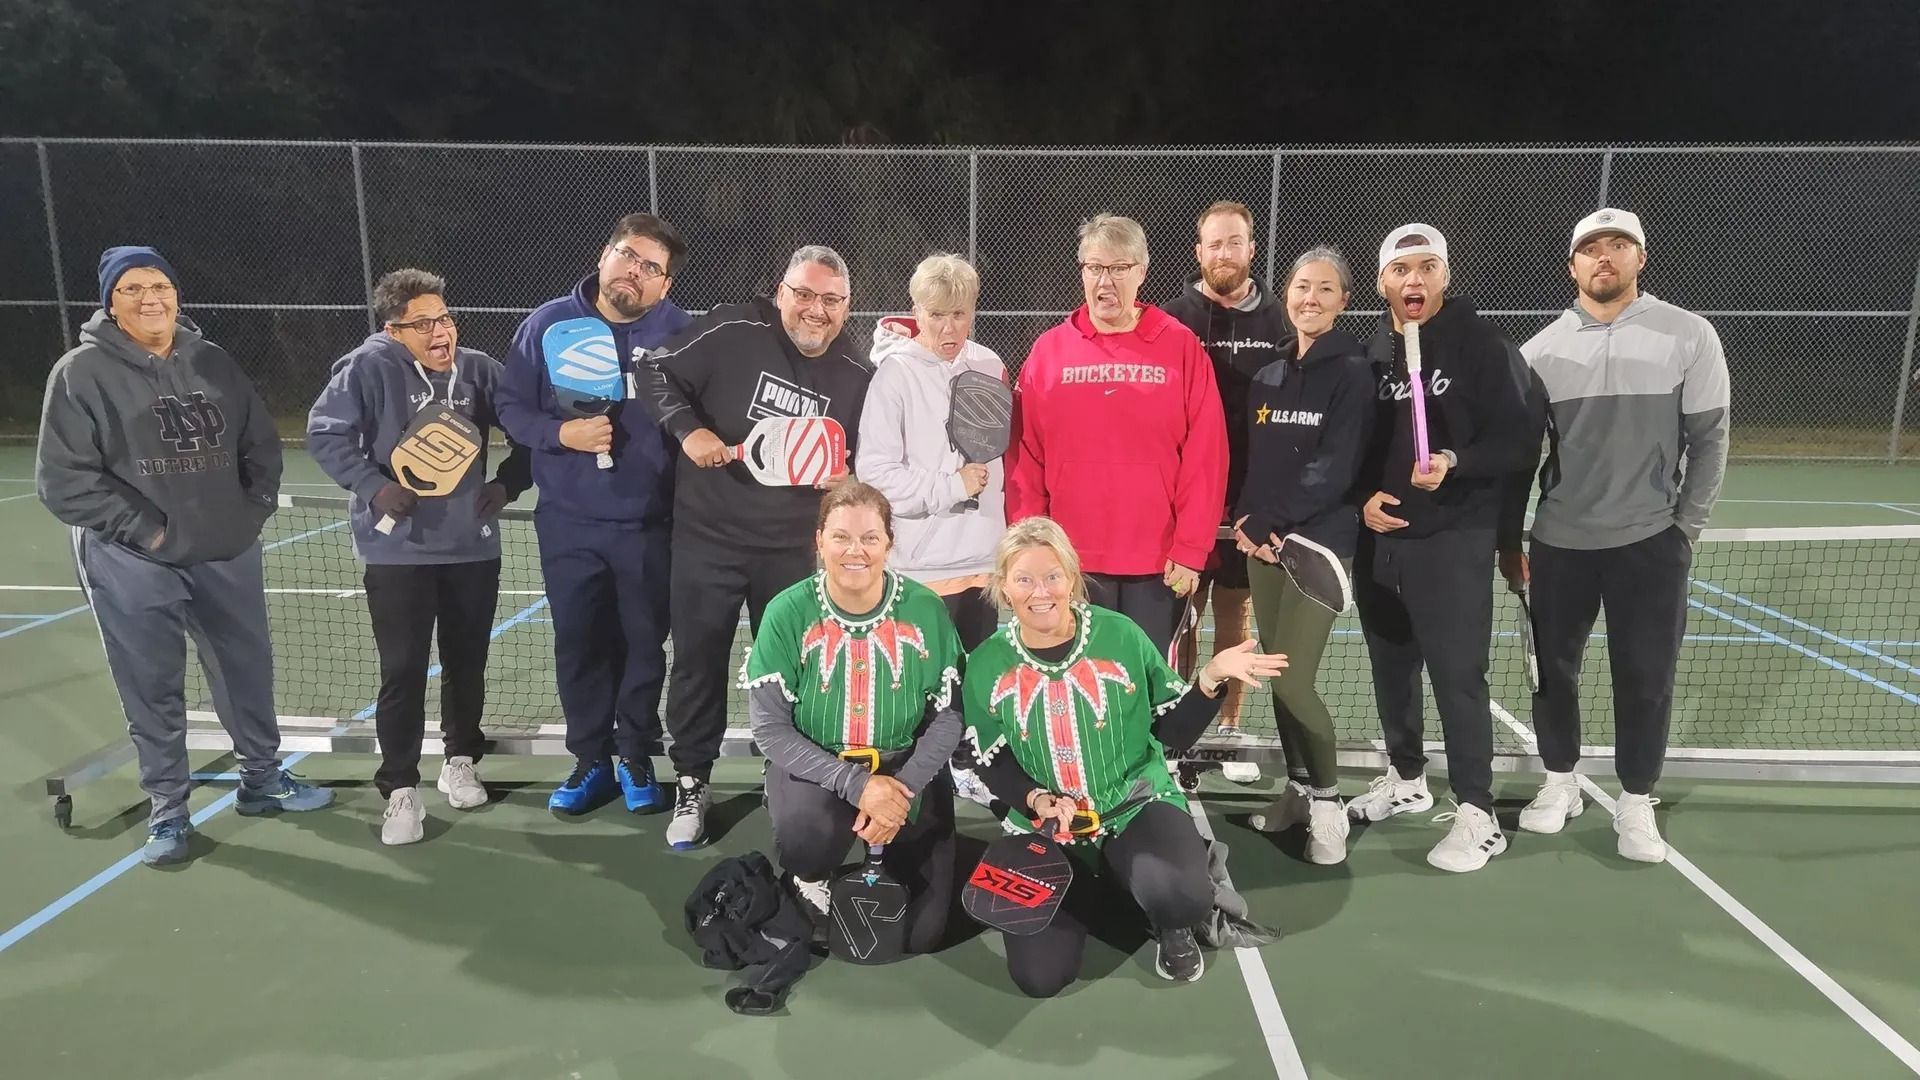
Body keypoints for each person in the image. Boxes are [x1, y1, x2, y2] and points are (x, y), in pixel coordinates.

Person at [36, 245, 332, 866]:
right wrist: (150, 534)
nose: (151, 299)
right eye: (133, 289)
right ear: (110, 303)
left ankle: (262, 779)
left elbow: (261, 446)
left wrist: (248, 515)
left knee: (247, 670)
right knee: (153, 687)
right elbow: (65, 482)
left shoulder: (212, 360)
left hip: (225, 553)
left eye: (161, 285)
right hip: (134, 562)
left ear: (176, 293)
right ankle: (169, 810)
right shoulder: (80, 373)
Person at [964, 517, 1287, 996]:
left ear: (1072, 578)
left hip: (1134, 804)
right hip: (1049, 826)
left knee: (1181, 897)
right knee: (1039, 978)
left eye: (1053, 575)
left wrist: (1210, 679)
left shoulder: (1119, 634)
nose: (1041, 591)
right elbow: (989, 758)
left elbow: (1173, 732)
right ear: (1003, 588)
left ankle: (1171, 914)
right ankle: (1109, 881)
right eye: (1024, 579)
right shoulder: (987, 661)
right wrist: (1034, 799)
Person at [1511, 209, 1730, 863]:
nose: (1603, 257)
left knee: (1645, 677)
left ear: (1640, 257)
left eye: (1618, 246)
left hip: (1648, 545)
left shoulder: (1688, 335)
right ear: (1572, 266)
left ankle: (1636, 802)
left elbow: (1710, 439)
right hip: (1559, 542)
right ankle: (1559, 783)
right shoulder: (1539, 352)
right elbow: (1521, 455)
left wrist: (1683, 529)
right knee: (1551, 674)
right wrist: (1513, 535)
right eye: (1590, 249)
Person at [644, 245, 874, 849]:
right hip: (706, 544)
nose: (815, 310)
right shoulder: (732, 329)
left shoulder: (858, 374)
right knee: (696, 667)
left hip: (792, 555)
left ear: (847, 307)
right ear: (781, 294)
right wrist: (689, 429)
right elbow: (654, 370)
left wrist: (848, 480)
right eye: (804, 294)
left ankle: (793, 778)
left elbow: (865, 466)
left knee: (797, 676)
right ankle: (692, 781)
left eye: (830, 300)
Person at [307, 268, 532, 845]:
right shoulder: (367, 367)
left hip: (471, 551)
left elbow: (530, 428)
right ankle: (401, 788)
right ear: (394, 330)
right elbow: (327, 433)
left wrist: (508, 484)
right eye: (424, 323)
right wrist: (372, 485)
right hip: (396, 553)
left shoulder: (480, 370)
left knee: (467, 664)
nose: (441, 332)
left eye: (446, 319)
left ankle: (461, 760)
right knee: (402, 670)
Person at [1351, 224, 1541, 873]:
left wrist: (1457, 460)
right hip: (1383, 542)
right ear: (1382, 283)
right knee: (1391, 668)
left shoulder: (1482, 346)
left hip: (1454, 538)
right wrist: (1361, 500)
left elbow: (1520, 441)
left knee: (1458, 676)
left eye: (1427, 267)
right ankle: (1407, 778)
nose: (1414, 280)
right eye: (1401, 269)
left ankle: (1479, 812)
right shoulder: (1374, 351)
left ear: (1444, 277)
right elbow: (1359, 446)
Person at [494, 213, 691, 818]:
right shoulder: (547, 325)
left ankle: (635, 755)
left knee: (642, 645)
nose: (635, 270)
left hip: (650, 526)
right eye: (628, 255)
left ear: (664, 286)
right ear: (604, 255)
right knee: (578, 643)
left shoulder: (683, 333)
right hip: (568, 523)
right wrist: (561, 433)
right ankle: (590, 760)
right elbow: (510, 406)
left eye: (651, 267)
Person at [742, 482, 964, 951]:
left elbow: (948, 717)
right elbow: (770, 729)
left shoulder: (926, 608)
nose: (855, 550)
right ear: (819, 540)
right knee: (807, 837)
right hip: (819, 767)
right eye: (841, 537)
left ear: (888, 543)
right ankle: (808, 874)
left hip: (906, 769)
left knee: (923, 936)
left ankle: (905, 839)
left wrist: (898, 793)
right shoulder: (787, 612)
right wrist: (860, 786)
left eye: (869, 537)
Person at [1004, 214, 1228, 665]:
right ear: (1082, 272)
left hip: (1158, 565)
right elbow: (1024, 460)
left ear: (1142, 273)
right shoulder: (1049, 351)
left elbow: (1207, 456)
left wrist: (1190, 548)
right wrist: (1031, 547)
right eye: (1094, 268)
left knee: (1147, 688)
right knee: (1074, 684)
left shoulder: (1180, 347)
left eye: (1119, 269)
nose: (1106, 281)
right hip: (1069, 564)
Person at [1233, 247, 1375, 864]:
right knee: (1274, 677)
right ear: (1285, 295)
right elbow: (1256, 463)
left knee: (1294, 682)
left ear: (1344, 301)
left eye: (1324, 289)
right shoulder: (1268, 374)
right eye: (1300, 286)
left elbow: (1335, 467)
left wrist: (1272, 519)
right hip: (1263, 546)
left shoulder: (1354, 373)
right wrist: (1245, 518)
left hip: (1318, 545)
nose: (1309, 298)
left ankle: (1326, 801)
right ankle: (1295, 791)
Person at [854, 252, 1006, 806]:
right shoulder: (894, 375)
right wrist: (951, 486)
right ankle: (913, 772)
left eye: (960, 314)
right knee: (918, 684)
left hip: (981, 562)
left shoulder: (988, 365)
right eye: (936, 314)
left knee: (973, 677)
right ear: (916, 310)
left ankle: (966, 765)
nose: (948, 328)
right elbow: (875, 474)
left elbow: (998, 465)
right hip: (919, 567)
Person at [1162, 202, 1291, 772]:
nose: (1223, 254)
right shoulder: (1172, 318)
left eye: (1233, 243)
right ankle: (1175, 721)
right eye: (1213, 244)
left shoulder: (1279, 321)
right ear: (1198, 252)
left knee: (1235, 617)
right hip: (1185, 502)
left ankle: (1230, 727)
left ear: (1251, 250)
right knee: (1180, 618)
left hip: (1249, 504)